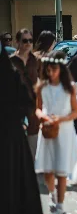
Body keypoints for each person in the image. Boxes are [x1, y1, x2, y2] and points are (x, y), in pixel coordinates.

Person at [0, 40, 43, 214]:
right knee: (9, 179)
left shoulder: (11, 73)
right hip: (10, 133)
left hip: (9, 132)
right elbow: (26, 101)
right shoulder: (11, 73)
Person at [35, 50, 77, 214]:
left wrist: (61, 118)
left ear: (61, 69)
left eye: (54, 69)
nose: (51, 72)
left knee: (61, 172)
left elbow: (76, 112)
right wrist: (42, 116)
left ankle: (59, 208)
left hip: (65, 131)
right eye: (48, 69)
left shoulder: (70, 87)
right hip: (46, 130)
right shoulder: (42, 87)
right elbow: (38, 108)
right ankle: (53, 195)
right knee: (47, 172)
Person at [10, 29, 39, 158]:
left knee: (34, 151)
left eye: (30, 41)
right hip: (15, 110)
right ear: (17, 42)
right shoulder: (10, 61)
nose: (28, 43)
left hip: (34, 110)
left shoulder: (36, 61)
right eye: (25, 40)